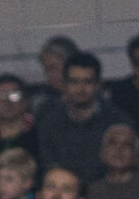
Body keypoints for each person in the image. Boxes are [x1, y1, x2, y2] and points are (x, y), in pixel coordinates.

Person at [35, 51, 131, 188]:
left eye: (87, 82)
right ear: (65, 84)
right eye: (74, 82)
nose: (80, 89)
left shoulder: (117, 121)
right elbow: (48, 166)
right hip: (65, 193)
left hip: (108, 192)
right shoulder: (50, 123)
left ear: (98, 84)